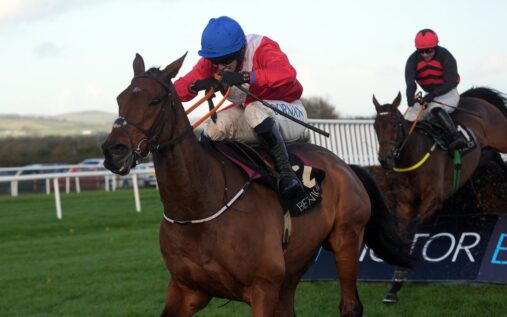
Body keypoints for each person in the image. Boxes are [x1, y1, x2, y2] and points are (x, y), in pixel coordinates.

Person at [174, 16, 306, 199]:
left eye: (226, 59)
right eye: (216, 61)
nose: (220, 66)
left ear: (241, 50)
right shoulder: (212, 62)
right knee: (213, 128)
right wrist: (195, 85)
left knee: (255, 111)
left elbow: (287, 74)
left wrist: (246, 77)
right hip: (253, 114)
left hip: (291, 112)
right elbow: (178, 89)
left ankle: (287, 176)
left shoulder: (262, 47)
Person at [404, 28, 467, 150]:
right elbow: (410, 83)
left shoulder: (446, 56)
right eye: (421, 51)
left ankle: (457, 137)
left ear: (435, 46)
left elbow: (451, 82)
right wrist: (409, 98)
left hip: (448, 93)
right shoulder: (412, 60)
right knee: (409, 116)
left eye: (428, 50)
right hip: (430, 95)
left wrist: (433, 95)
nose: (425, 54)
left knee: (434, 108)